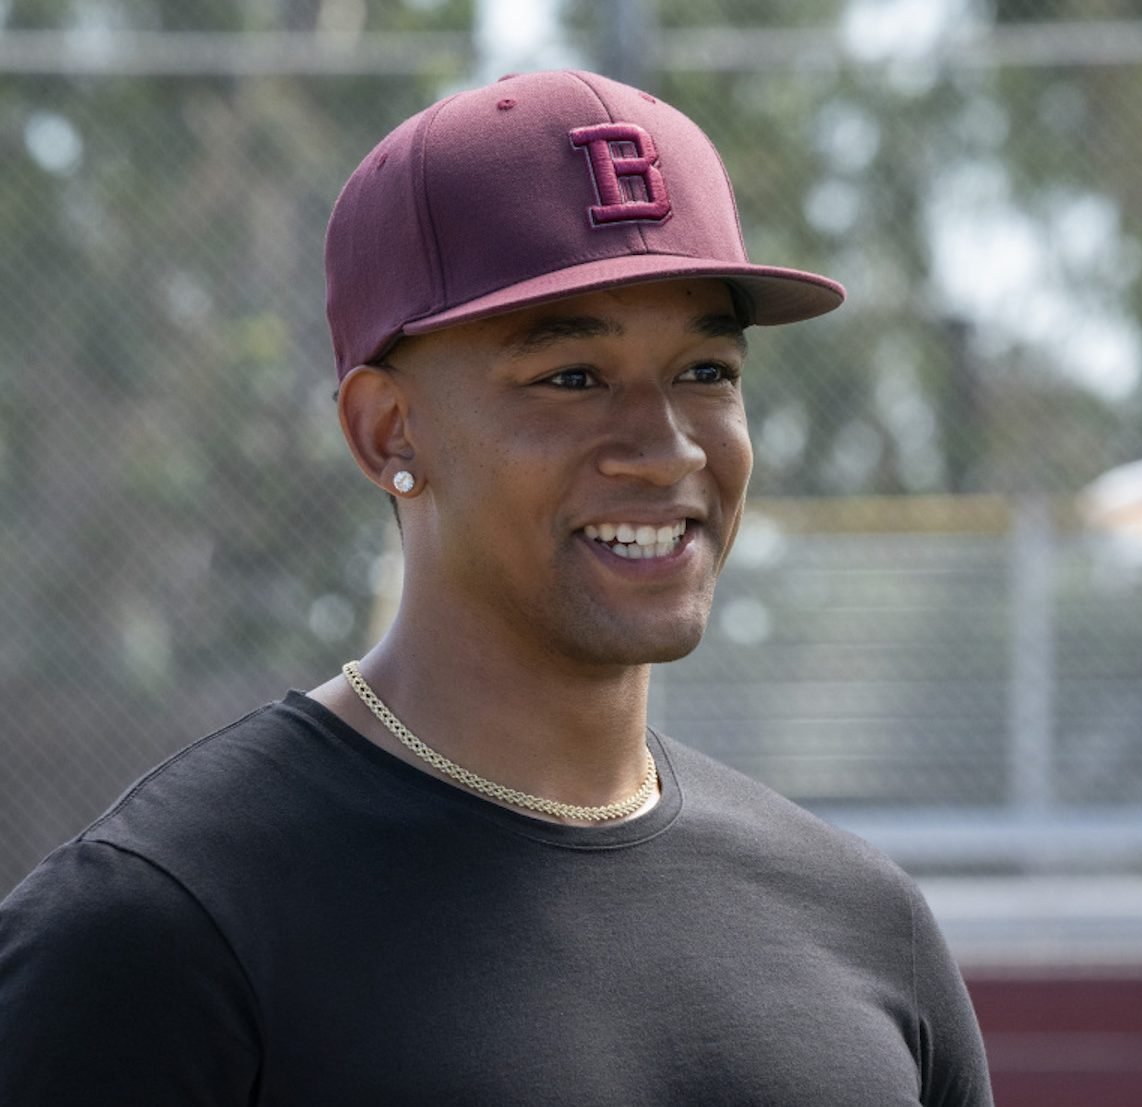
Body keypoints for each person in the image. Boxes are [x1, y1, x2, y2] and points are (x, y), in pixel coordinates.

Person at [0, 70, 992, 1105]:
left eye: (706, 372)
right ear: (389, 430)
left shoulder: (863, 923)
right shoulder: (161, 933)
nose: (664, 448)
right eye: (570, 379)